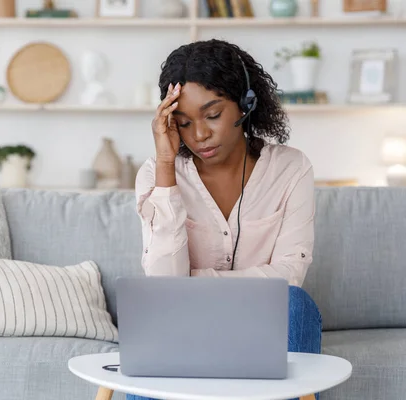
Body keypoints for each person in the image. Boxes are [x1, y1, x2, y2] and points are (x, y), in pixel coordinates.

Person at [128, 39, 322, 400]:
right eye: (183, 123)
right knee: (152, 321)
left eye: (212, 115)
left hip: (262, 325)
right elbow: (165, 288)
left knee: (296, 304)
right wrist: (167, 168)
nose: (199, 135)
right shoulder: (157, 173)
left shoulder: (291, 168)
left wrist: (195, 280)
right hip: (181, 326)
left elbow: (288, 277)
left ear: (246, 104)